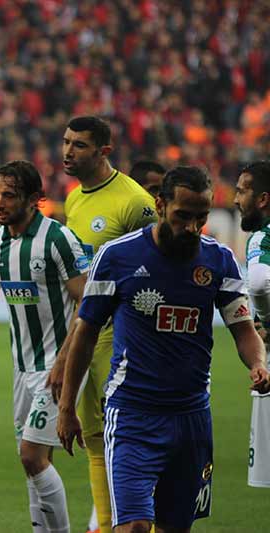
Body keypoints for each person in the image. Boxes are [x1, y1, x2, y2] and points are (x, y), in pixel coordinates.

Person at [57, 166, 270, 532]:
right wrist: (66, 406)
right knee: (134, 527)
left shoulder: (217, 261)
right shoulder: (116, 257)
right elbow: (85, 331)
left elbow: (242, 328)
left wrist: (258, 362)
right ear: (159, 205)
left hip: (191, 420)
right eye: (182, 216)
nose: (192, 227)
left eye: (200, 217)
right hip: (132, 416)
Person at [0, 161, 88, 533]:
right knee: (34, 462)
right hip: (23, 369)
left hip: (59, 365)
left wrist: (65, 360)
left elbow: (85, 304)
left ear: (34, 199)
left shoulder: (57, 239)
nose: (0, 203)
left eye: (9, 195)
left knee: (31, 456)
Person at [55, 116, 157, 533]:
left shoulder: (134, 203)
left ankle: (141, 523)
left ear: (104, 152)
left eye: (78, 145)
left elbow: (160, 266)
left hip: (127, 340)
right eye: (65, 142)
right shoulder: (74, 199)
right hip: (89, 336)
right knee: (94, 438)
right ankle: (108, 524)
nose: (67, 152)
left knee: (129, 441)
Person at [233, 160, 270, 489]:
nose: (234, 199)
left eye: (242, 191)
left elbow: (258, 283)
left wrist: (265, 319)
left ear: (262, 199)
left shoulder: (262, 238)